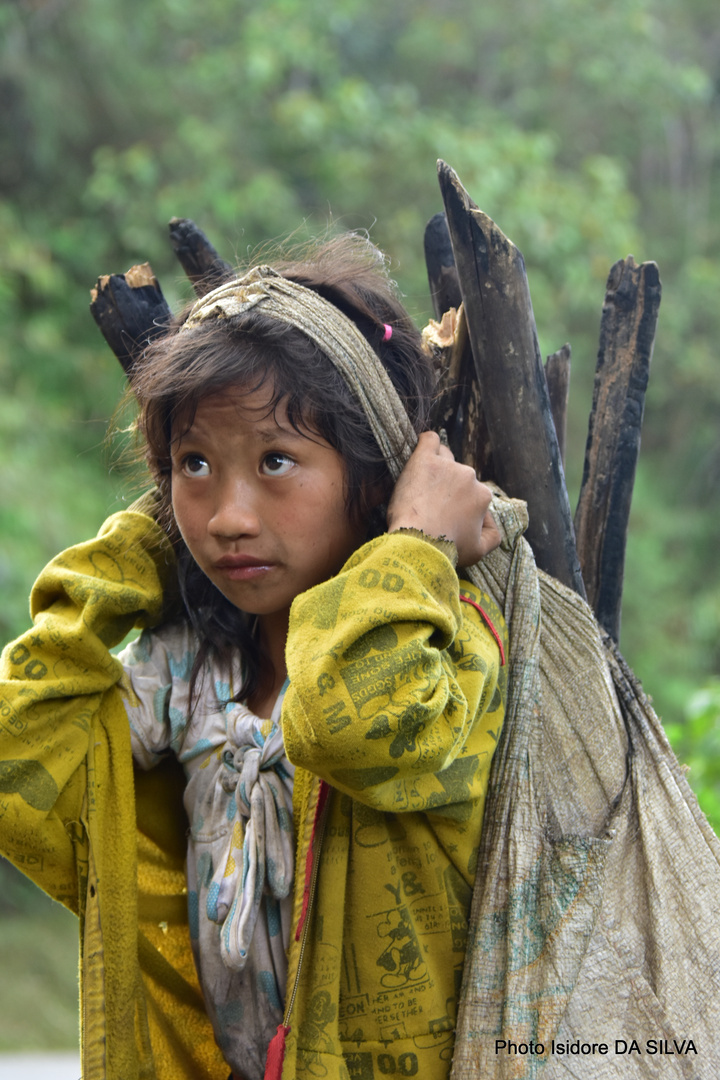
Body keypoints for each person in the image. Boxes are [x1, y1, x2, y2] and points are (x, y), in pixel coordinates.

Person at [0, 234, 507, 1080]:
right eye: (193, 464)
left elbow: (352, 728)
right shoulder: (188, 679)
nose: (227, 516)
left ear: (376, 476)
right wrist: (143, 550)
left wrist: (413, 544)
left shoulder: (448, 650)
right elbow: (19, 764)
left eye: (277, 461)